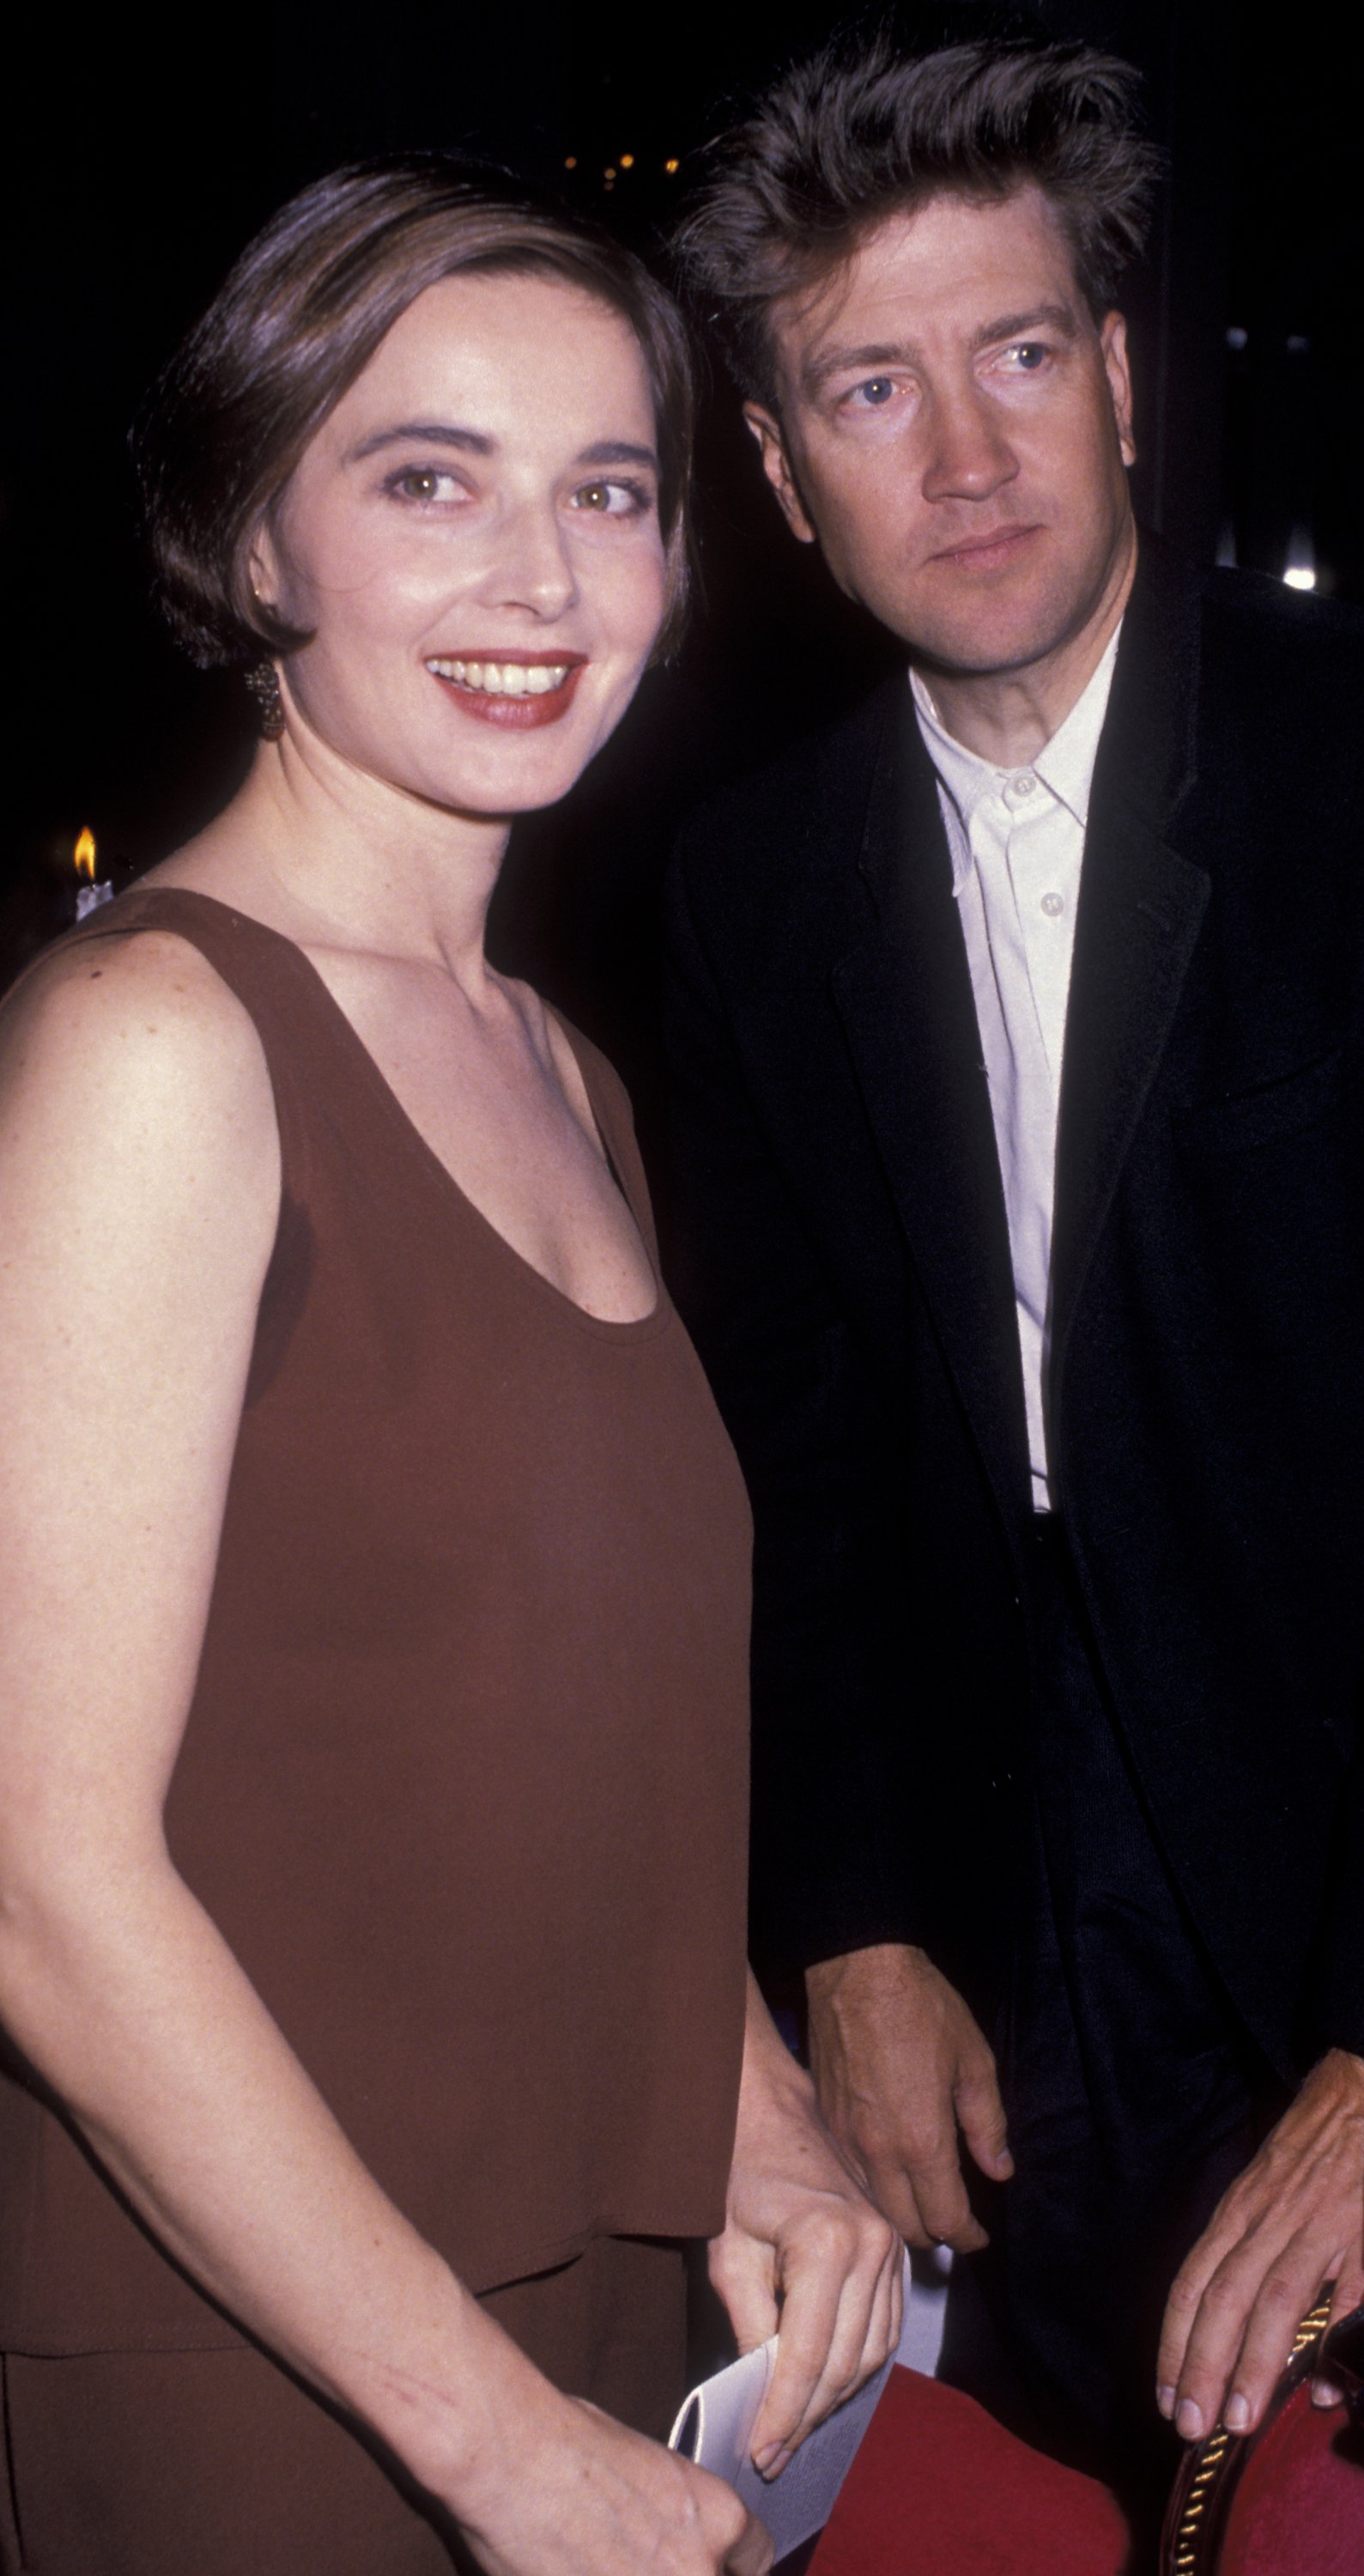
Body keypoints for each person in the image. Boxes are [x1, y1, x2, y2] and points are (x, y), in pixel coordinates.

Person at [0, 159, 900, 2576]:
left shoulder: (560, 1064)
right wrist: (486, 2446)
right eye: (430, 482)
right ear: (256, 541)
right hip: (283, 2373)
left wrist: (757, 2114)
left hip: (602, 2296)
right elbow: (35, 1876)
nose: (541, 582)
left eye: (608, 492)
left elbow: (586, 1715)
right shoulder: (157, 1043)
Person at [664, 29, 1364, 2537]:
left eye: (1018, 355)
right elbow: (788, 1447)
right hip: (1003, 1903)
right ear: (785, 482)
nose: (970, 456)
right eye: (869, 391)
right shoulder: (741, 885)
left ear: (1121, 379)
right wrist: (856, 1919)